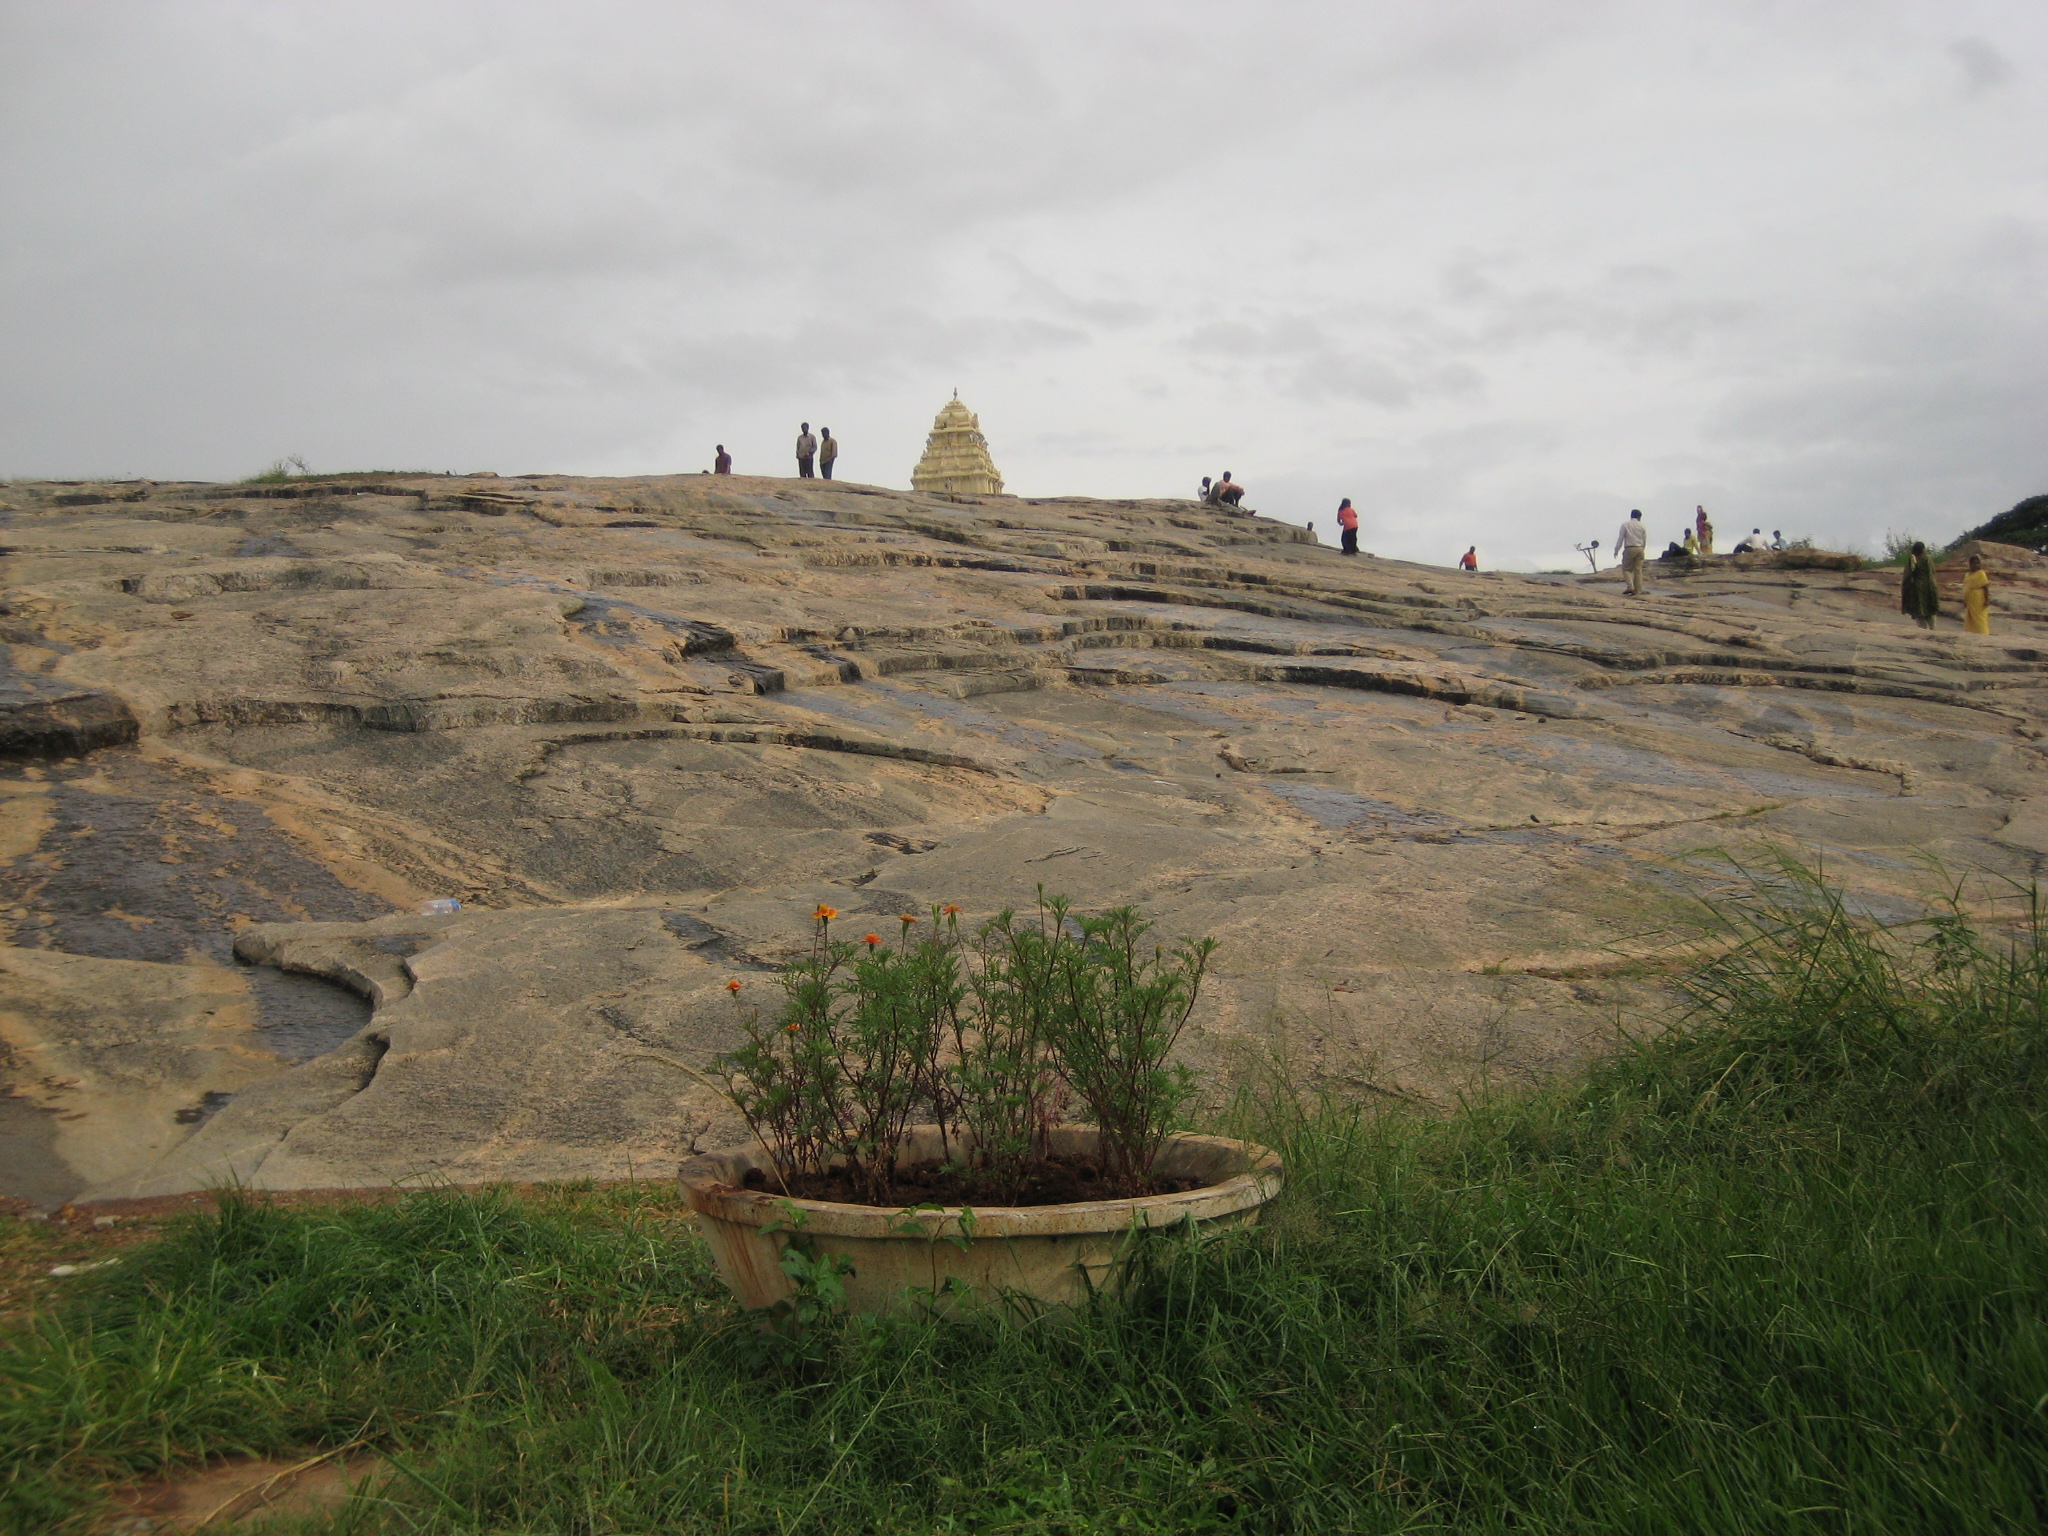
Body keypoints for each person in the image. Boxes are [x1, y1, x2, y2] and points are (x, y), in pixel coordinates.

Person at [1901, 542, 1939, 629]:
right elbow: (1931, 573)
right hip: (1929, 588)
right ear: (1923, 550)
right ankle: (1932, 631)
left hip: (1917, 590)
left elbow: (1908, 575)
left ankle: (1923, 632)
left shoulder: (1912, 560)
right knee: (1931, 612)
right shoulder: (1928, 559)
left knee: (1920, 612)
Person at [1616, 508, 1648, 596]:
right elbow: (1644, 539)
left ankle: (1630, 586)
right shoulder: (1642, 526)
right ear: (1639, 517)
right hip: (1640, 548)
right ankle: (1638, 591)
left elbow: (1621, 538)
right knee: (1638, 570)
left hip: (1629, 548)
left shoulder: (1625, 525)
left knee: (1627, 569)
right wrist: (1643, 548)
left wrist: (1616, 550)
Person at [1964, 553, 1992, 635]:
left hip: (1978, 598)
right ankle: (1970, 633)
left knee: (1980, 617)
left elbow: (1985, 587)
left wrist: (1986, 600)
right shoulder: (1967, 574)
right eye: (1973, 563)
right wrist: (1965, 600)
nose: (1975, 565)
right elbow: (1966, 586)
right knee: (1970, 618)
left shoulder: (1981, 573)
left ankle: (1983, 633)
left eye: (1977, 563)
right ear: (1970, 564)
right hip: (1970, 599)